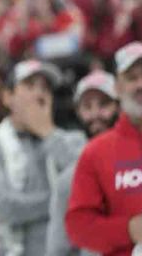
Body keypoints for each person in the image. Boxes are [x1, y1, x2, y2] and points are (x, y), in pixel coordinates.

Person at [0, 59, 87, 256]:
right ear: (7, 97)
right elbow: (0, 208)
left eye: (45, 88)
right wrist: (61, 202)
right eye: (30, 86)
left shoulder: (73, 140)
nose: (39, 94)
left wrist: (48, 133)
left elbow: (87, 186)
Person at [66, 42, 142, 255]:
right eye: (132, 78)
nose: (141, 84)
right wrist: (129, 229)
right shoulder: (96, 152)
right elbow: (78, 225)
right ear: (117, 87)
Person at [46, 70, 120, 256]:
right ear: (78, 112)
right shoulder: (69, 179)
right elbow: (58, 248)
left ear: (120, 106)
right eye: (87, 106)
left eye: (104, 104)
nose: (95, 114)